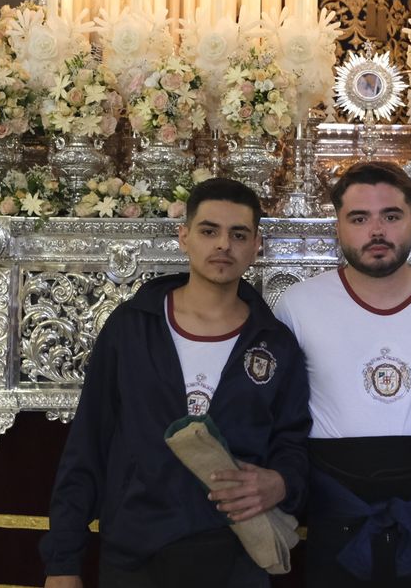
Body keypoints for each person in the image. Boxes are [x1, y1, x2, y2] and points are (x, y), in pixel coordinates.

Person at [41, 178, 311, 588]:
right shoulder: (132, 328)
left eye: (238, 234)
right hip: (136, 553)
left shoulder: (275, 343)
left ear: (257, 245)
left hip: (236, 555)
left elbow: (293, 442)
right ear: (183, 236)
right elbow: (88, 444)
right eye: (209, 231)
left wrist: (282, 482)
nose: (223, 245)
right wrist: (62, 562)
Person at [273, 161, 411, 587]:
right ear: (338, 224)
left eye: (391, 216)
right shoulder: (296, 306)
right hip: (338, 512)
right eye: (359, 218)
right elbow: (277, 414)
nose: (376, 230)